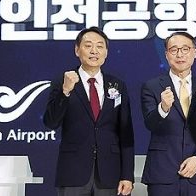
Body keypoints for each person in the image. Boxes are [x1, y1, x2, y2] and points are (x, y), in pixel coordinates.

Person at [42, 27, 135, 196]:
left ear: (106, 52)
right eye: (88, 45)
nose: (94, 51)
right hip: (73, 173)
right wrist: (65, 92)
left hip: (109, 174)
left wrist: (127, 175)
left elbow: (126, 133)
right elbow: (51, 122)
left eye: (100, 46)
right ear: (77, 50)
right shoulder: (62, 81)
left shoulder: (117, 85)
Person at [140, 32, 196, 195]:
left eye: (185, 49)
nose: (180, 54)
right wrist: (163, 108)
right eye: (174, 50)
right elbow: (150, 124)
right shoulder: (152, 86)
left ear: (195, 53)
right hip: (162, 173)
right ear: (166, 54)